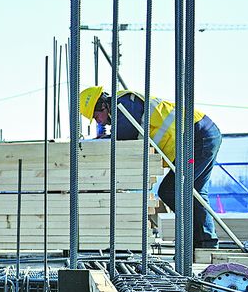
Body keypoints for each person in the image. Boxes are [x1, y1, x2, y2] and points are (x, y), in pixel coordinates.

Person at [79, 86, 222, 249]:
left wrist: (96, 142)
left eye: (96, 116)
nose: (99, 121)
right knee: (194, 192)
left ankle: (195, 241)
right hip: (201, 134)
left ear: (102, 106)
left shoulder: (124, 105)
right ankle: (205, 243)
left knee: (172, 190)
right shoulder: (123, 106)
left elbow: (124, 137)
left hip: (196, 137)